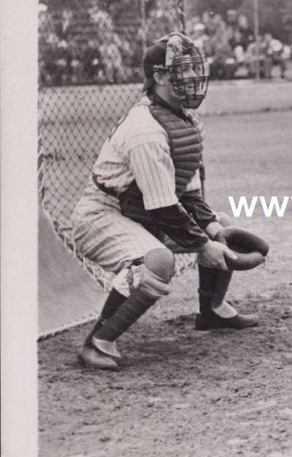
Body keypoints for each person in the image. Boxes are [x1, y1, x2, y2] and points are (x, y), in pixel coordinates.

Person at [70, 33, 263, 371]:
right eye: (183, 70)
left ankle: (211, 310)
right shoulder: (145, 129)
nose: (192, 77)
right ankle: (97, 341)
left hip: (142, 213)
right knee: (157, 261)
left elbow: (188, 195)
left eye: (194, 68)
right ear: (159, 76)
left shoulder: (182, 119)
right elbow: (163, 206)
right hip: (102, 215)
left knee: (225, 226)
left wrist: (214, 231)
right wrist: (203, 245)